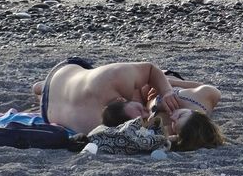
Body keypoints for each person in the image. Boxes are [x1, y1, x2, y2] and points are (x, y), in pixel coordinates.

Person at [32, 57, 180, 135]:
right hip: (50, 109)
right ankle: (40, 87)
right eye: (142, 110)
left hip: (61, 80)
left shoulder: (113, 78)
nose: (148, 113)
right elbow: (150, 69)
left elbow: (150, 69)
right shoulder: (114, 77)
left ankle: (40, 87)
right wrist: (167, 91)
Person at [102, 73, 225, 151]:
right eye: (181, 115)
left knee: (115, 112)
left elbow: (162, 139)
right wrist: (167, 86)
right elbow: (209, 88)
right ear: (195, 113)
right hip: (160, 80)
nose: (173, 117)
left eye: (174, 123)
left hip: (142, 101)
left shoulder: (180, 127)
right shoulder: (199, 99)